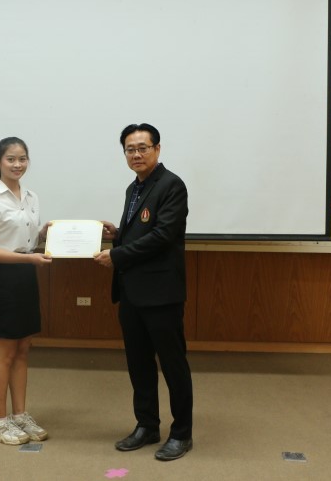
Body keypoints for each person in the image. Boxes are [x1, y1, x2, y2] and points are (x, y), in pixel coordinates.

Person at [93, 123, 194, 461]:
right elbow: (142, 232)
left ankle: (181, 433)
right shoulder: (133, 187)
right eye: (130, 149)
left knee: (173, 365)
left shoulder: (172, 185)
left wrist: (118, 255)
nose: (136, 154)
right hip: (132, 293)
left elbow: (163, 236)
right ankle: (147, 425)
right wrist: (118, 235)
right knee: (139, 365)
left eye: (142, 148)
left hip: (162, 294)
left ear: (157, 149)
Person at [0, 136, 52, 445]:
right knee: (5, 354)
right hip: (4, 280)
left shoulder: (31, 197)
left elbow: (28, 241)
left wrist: (45, 234)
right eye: (10, 159)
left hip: (27, 278)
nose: (17, 164)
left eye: (22, 158)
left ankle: (19, 415)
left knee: (22, 351)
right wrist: (28, 258)